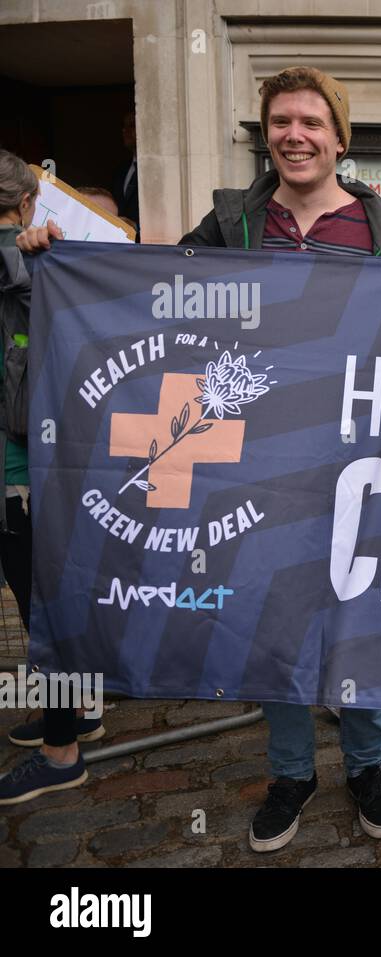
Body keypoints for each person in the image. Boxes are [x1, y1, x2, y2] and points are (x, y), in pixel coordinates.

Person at [18, 66, 381, 848]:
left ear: (339, 137)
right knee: (272, 612)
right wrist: (58, 255)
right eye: (280, 120)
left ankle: (368, 764)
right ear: (266, 134)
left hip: (353, 461)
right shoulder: (233, 222)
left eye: (312, 122)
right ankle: (291, 771)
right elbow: (149, 288)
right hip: (257, 462)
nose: (295, 134)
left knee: (355, 609)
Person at [0, 151, 106, 806]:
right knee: (48, 605)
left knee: (45, 610)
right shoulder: (38, 261)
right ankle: (77, 712)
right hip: (34, 464)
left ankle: (62, 751)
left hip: (23, 472)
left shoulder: (33, 264)